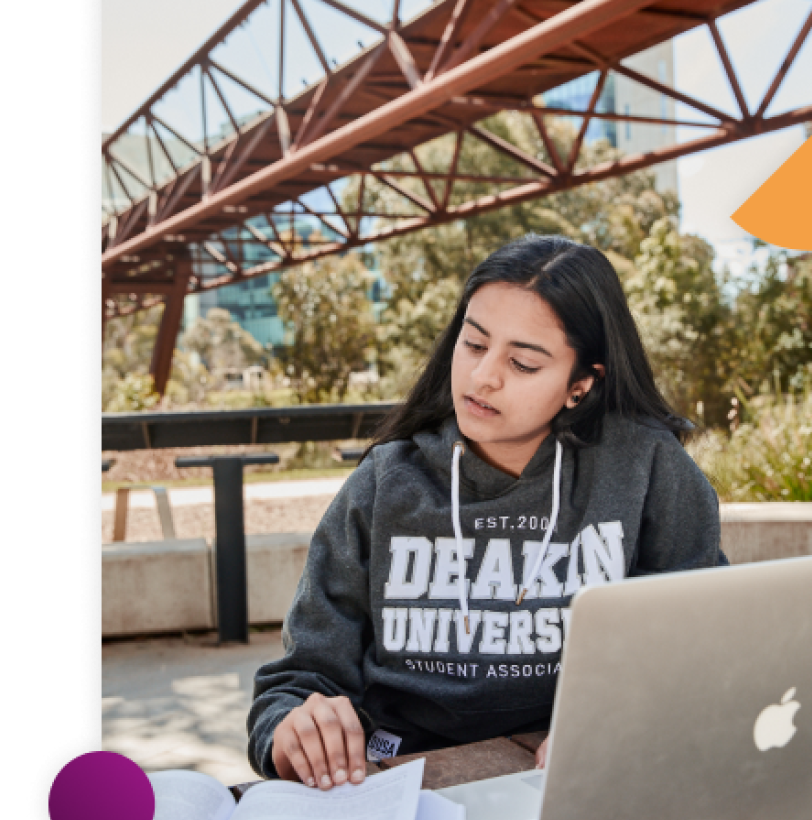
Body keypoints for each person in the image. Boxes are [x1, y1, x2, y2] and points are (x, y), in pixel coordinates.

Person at [248, 234, 728, 790]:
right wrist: (292, 728)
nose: (483, 378)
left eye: (523, 363)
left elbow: (696, 647)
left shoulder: (647, 470)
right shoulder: (384, 483)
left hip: (574, 786)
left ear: (581, 384)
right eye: (474, 345)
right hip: (397, 784)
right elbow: (298, 680)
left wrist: (624, 716)